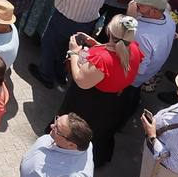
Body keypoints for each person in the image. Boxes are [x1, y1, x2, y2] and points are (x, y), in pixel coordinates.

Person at [57, 13, 144, 167]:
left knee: (79, 130)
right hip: (114, 101)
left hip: (90, 101)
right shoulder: (134, 49)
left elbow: (81, 81)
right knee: (102, 132)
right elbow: (114, 51)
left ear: (109, 32)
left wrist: (74, 52)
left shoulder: (102, 60)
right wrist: (95, 44)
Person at [30, 0, 107, 91]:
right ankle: (62, 73)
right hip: (87, 23)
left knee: (50, 45)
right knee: (71, 49)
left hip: (64, 20)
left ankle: (45, 75)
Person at [19, 113, 94, 177]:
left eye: (57, 129)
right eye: (56, 120)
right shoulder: (81, 143)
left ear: (71, 145)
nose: (51, 126)